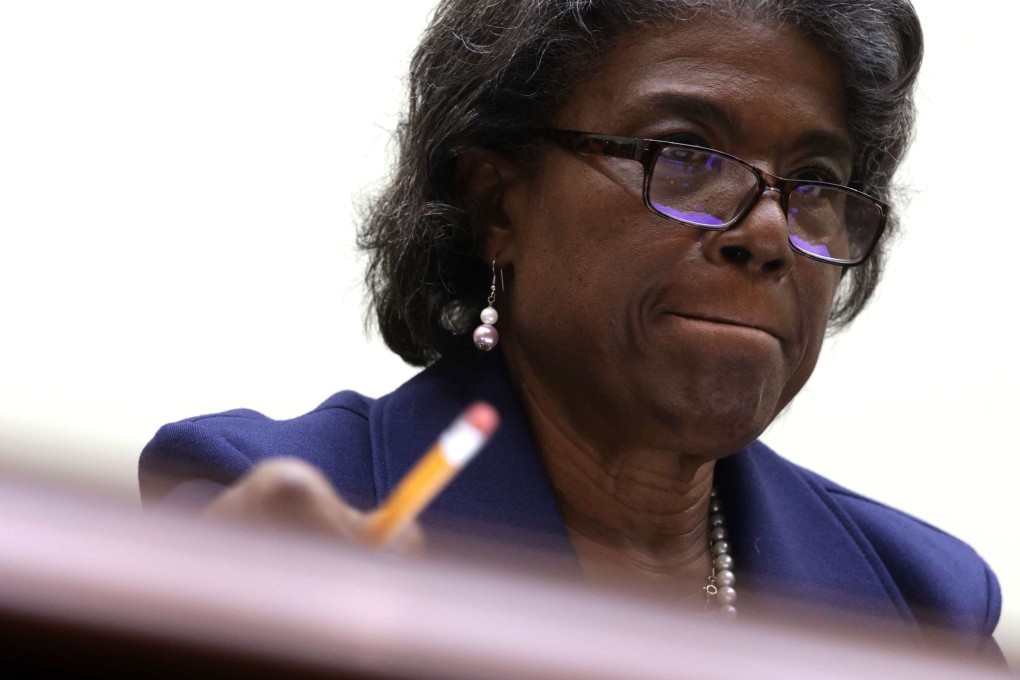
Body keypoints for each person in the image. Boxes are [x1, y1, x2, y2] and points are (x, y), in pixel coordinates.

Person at [139, 0, 1002, 662]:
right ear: (494, 203)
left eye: (816, 181)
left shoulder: (920, 607)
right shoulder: (270, 517)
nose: (770, 233)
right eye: (689, 155)